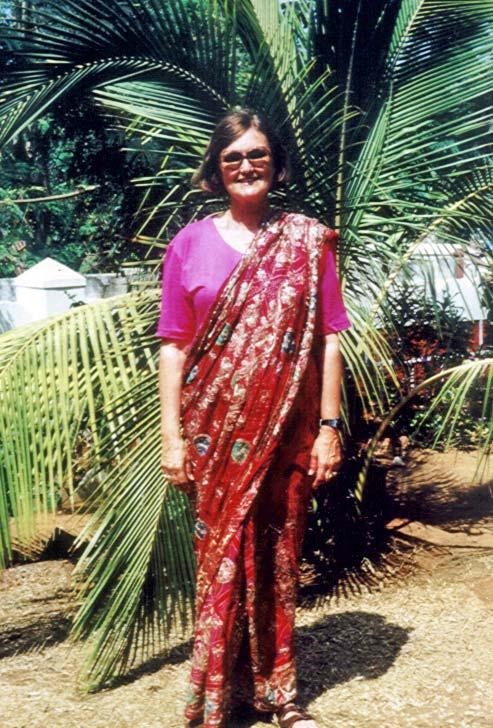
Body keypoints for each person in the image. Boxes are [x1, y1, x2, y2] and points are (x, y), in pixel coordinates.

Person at [157, 109, 351, 728]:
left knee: (277, 557)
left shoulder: (308, 241)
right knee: (219, 561)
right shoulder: (188, 244)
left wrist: (328, 429)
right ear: (216, 170)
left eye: (257, 154)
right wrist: (172, 438)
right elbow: (174, 346)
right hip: (213, 435)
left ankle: (279, 695)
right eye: (233, 157)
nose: (246, 166)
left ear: (276, 163)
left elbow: (329, 338)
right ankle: (215, 699)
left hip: (288, 433)